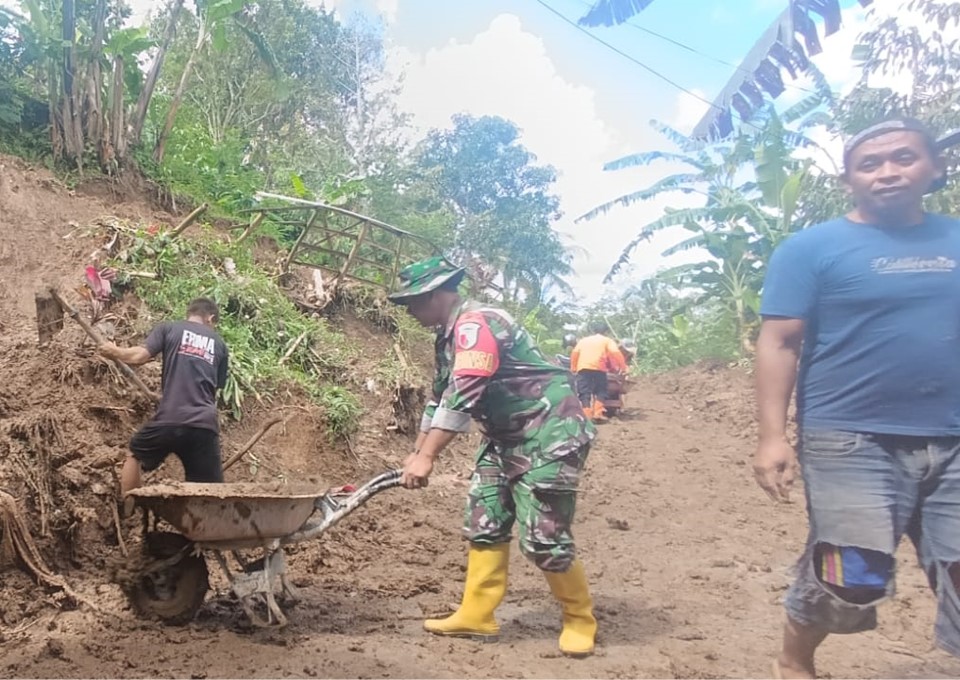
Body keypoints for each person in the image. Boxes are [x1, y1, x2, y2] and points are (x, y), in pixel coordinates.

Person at [754, 117, 960, 679]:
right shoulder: (811, 249)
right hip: (850, 435)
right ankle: (794, 661)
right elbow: (780, 340)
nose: (888, 172)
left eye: (903, 158)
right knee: (854, 571)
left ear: (935, 168)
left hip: (954, 433)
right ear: (848, 179)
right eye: (870, 164)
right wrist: (772, 436)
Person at [388, 257, 598, 658]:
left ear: (435, 295)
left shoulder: (476, 325)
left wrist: (429, 457)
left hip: (549, 434)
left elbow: (466, 392)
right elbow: (440, 398)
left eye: (413, 302)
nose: (410, 312)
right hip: (504, 437)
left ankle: (579, 618)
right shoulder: (446, 334)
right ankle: (476, 613)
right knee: (485, 519)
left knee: (543, 535)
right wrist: (416, 451)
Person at [99, 297, 229, 499]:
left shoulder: (169, 329)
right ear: (211, 318)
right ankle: (203, 527)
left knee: (135, 454)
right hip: (204, 425)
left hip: (171, 418)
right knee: (209, 492)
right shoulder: (219, 344)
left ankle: (131, 506)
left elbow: (139, 357)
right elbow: (214, 392)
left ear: (190, 313)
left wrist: (114, 351)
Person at [570, 321, 627, 421]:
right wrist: (624, 367)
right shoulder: (607, 341)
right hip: (599, 368)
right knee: (601, 390)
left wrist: (573, 368)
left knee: (584, 392)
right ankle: (598, 413)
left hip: (583, 368)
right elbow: (616, 354)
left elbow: (574, 354)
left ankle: (586, 415)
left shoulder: (583, 341)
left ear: (594, 331)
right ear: (606, 332)